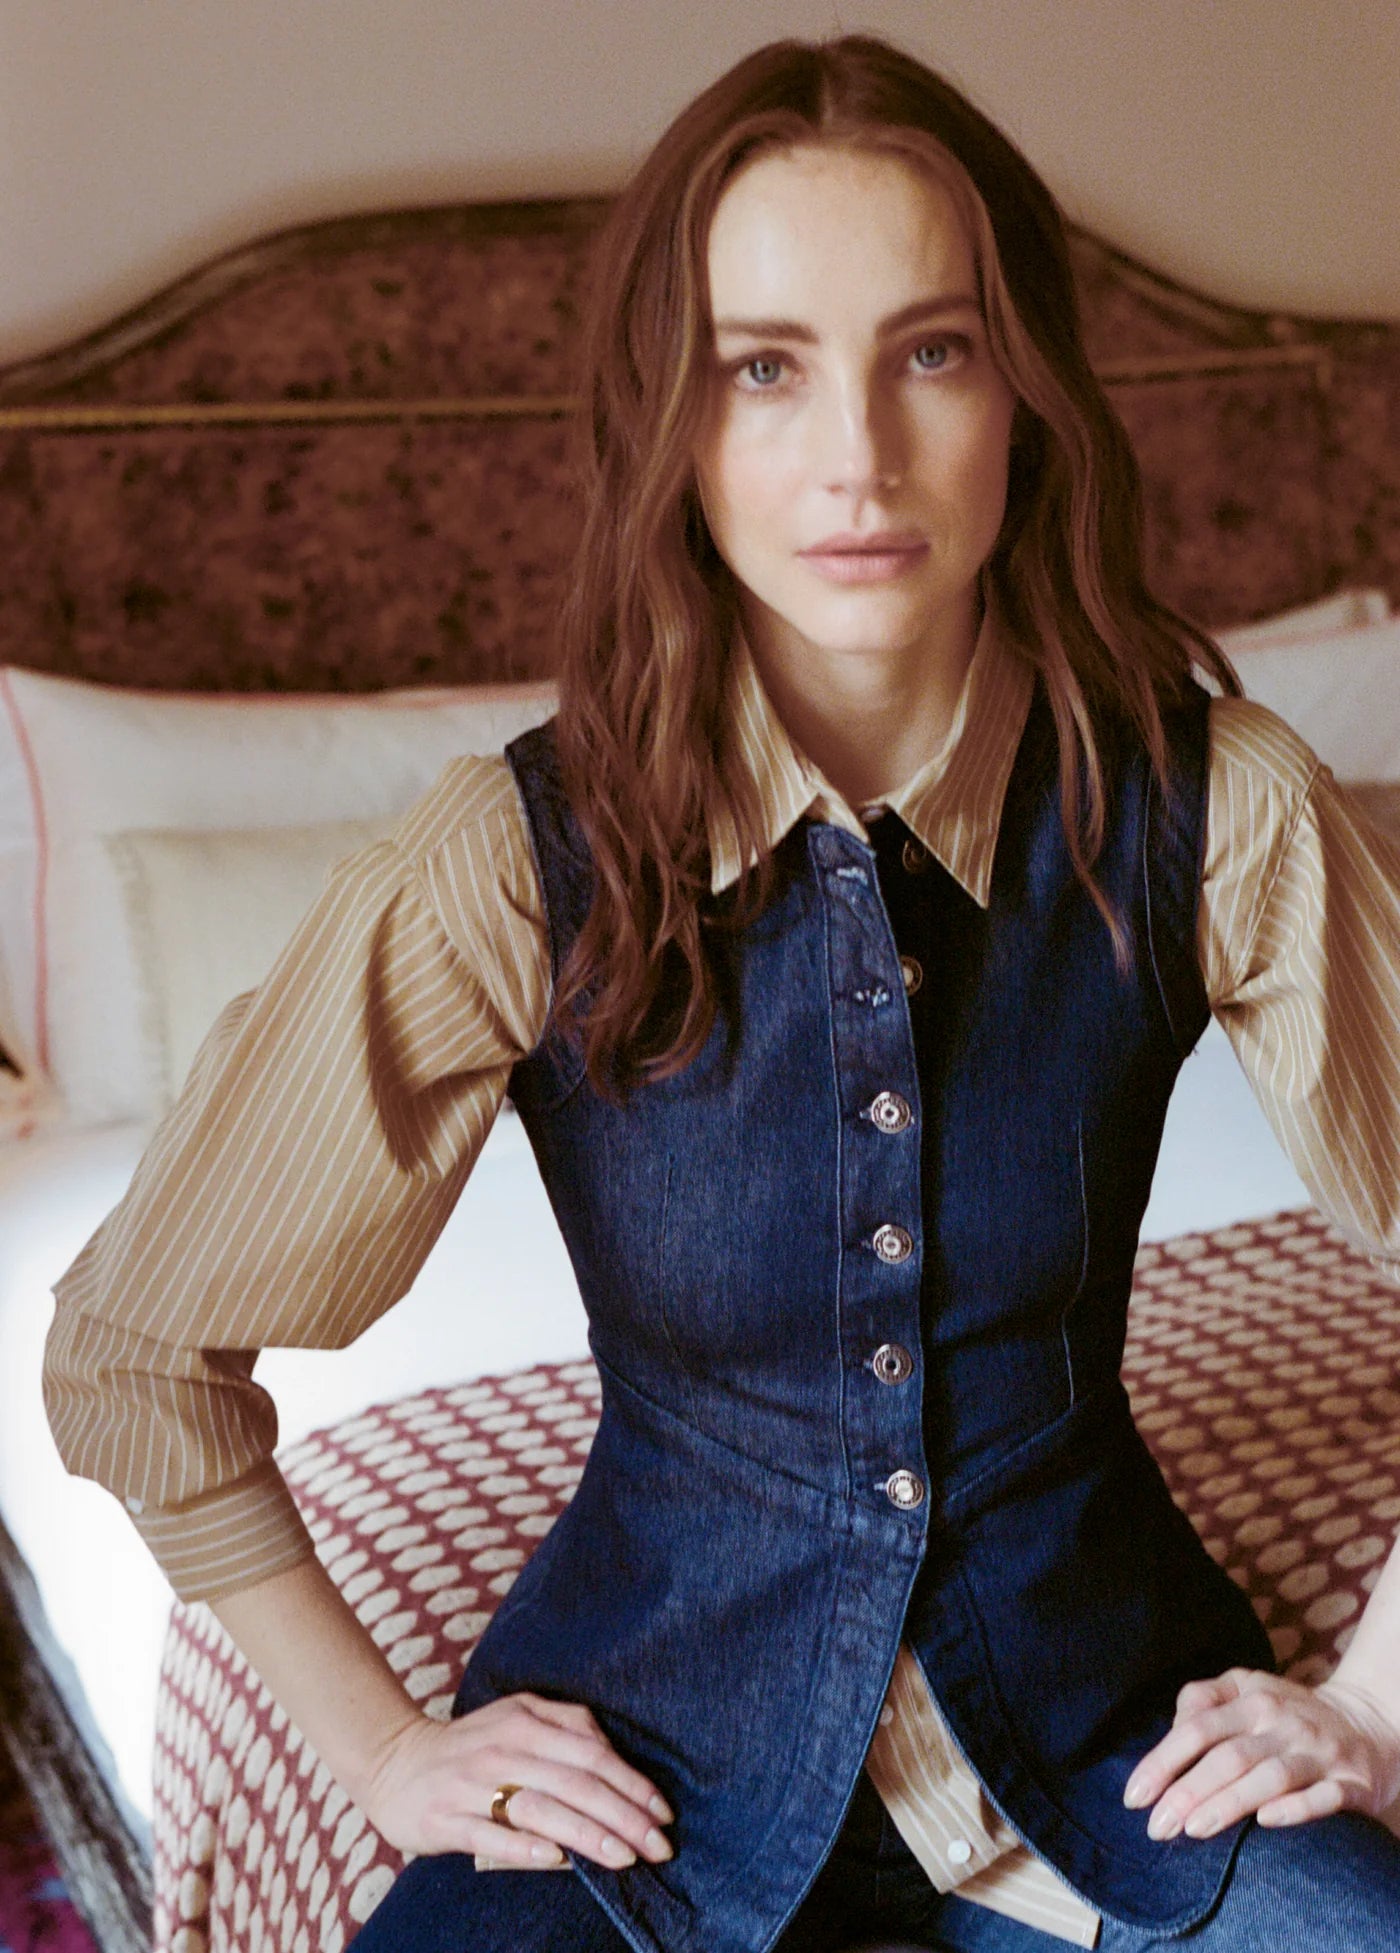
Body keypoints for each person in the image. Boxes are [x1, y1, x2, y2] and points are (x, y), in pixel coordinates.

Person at [42, 33, 1400, 1953]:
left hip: (1116, 1747)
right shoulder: (509, 858)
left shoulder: (1216, 807)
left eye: (930, 350)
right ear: (675, 425)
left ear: (1023, 391)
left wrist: (1375, 1702)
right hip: (644, 1773)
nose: (858, 454)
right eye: (764, 369)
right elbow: (130, 1351)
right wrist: (382, 1757)